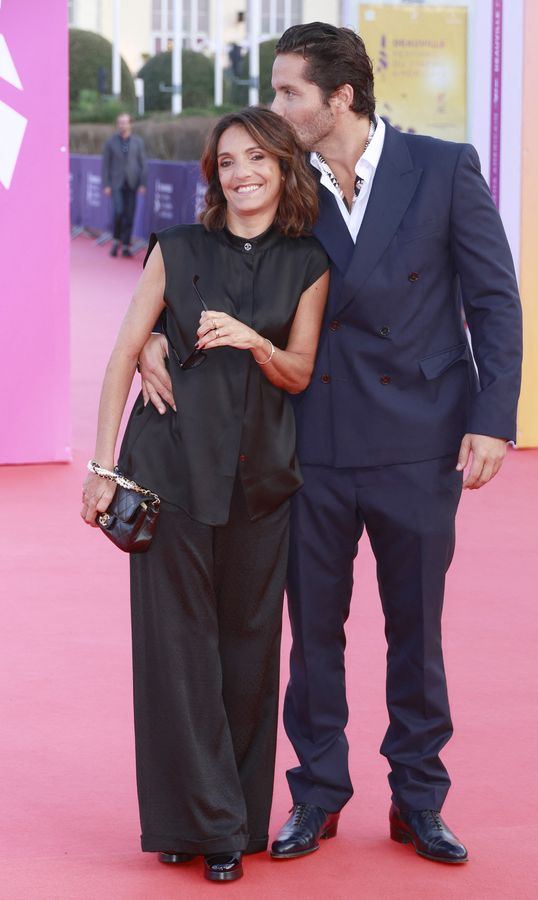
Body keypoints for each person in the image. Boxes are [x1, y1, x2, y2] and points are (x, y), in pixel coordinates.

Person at [138, 23, 523, 867]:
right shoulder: (286, 179)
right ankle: (316, 792)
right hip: (306, 437)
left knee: (416, 629)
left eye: (289, 92)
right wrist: (155, 336)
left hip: (420, 437)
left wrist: (493, 416)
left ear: (339, 97)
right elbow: (218, 262)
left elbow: (494, 298)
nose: (275, 106)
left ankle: (419, 797)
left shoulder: (441, 167)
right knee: (313, 632)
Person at [81, 106, 329, 883]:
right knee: (175, 653)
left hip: (262, 481)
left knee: (249, 652)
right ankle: (202, 823)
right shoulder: (178, 246)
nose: (241, 172)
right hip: (173, 472)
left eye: (256, 158)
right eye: (226, 162)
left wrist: (256, 343)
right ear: (213, 176)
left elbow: (301, 371)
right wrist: (100, 465)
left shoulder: (308, 262)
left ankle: (234, 820)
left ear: (283, 167)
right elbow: (124, 352)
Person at [102, 112, 147, 257]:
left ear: (130, 124)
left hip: (132, 183)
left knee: (130, 214)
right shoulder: (110, 142)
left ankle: (126, 245)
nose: (122, 125)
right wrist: (106, 184)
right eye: (120, 123)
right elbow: (105, 165)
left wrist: (143, 183)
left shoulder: (138, 142)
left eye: (124, 122)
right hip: (116, 183)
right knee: (119, 212)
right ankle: (116, 240)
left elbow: (143, 164)